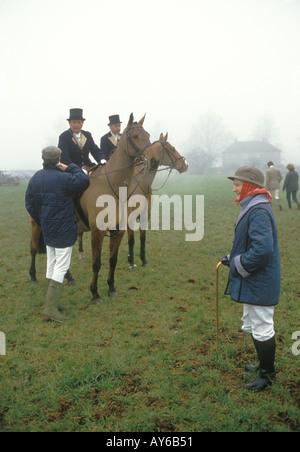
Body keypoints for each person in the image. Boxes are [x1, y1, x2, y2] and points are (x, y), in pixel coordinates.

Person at [221, 166, 281, 392]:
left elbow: (263, 250)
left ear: (250, 186)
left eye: (238, 184)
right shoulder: (254, 206)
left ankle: (268, 374)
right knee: (256, 324)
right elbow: (251, 244)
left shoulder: (258, 211)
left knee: (263, 326)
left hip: (260, 280)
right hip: (255, 278)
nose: (234, 189)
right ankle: (262, 364)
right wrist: (232, 257)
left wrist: (237, 265)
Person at [25, 146, 90, 322]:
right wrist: (70, 167)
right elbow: (84, 180)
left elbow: (29, 203)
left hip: (47, 228)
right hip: (63, 229)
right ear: (59, 158)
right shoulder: (64, 178)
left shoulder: (36, 177)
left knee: (52, 263)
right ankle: (50, 308)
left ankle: (54, 302)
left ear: (43, 158)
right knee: (61, 266)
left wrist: (41, 219)